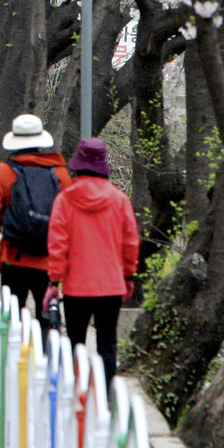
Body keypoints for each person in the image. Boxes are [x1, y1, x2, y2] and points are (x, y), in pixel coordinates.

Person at [46, 137, 139, 380]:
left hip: (76, 287)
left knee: (75, 342)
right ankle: (105, 399)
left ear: (78, 164)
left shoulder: (65, 200)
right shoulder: (119, 200)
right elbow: (130, 244)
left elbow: (58, 246)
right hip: (111, 286)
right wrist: (128, 276)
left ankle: (75, 393)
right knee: (107, 342)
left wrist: (53, 283)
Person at [0, 113, 73, 322]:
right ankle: (45, 351)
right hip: (48, 261)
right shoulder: (61, 175)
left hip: (13, 257)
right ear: (41, 143)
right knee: (45, 317)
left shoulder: (1, 172)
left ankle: (12, 353)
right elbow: (69, 222)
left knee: (11, 317)